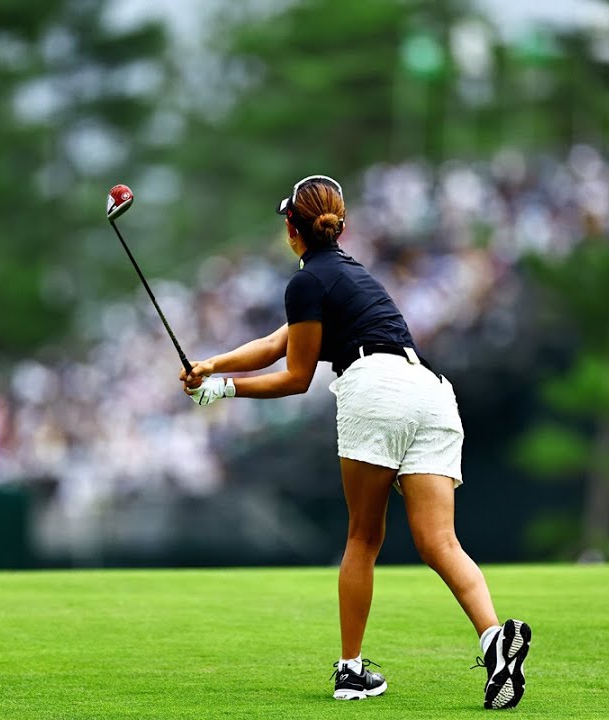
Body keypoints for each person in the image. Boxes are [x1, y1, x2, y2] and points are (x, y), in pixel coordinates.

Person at [179, 174, 532, 710]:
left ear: (293, 231)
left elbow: (296, 375)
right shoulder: (352, 275)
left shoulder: (304, 283)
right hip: (430, 392)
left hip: (375, 388)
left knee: (363, 539)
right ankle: (492, 640)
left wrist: (224, 390)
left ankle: (350, 670)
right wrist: (214, 366)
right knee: (440, 542)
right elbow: (279, 341)